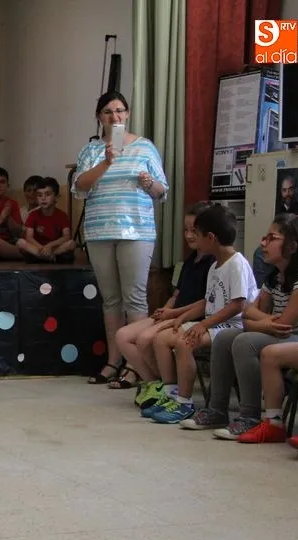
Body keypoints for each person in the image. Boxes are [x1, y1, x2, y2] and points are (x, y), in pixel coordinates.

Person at [180, 214, 298, 437]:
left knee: (246, 342)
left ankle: (249, 417)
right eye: (264, 237)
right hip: (284, 338)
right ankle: (217, 411)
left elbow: (284, 325)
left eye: (271, 238)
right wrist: (261, 321)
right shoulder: (275, 277)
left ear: (292, 247)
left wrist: (257, 322)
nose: (263, 243)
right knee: (225, 338)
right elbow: (248, 312)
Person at [72, 91, 169, 384]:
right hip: (99, 231)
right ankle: (113, 361)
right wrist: (106, 162)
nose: (114, 116)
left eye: (119, 111)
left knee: (134, 297)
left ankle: (136, 365)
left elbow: (162, 191)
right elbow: (79, 186)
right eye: (107, 112)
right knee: (110, 299)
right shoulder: (91, 150)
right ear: (99, 117)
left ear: (127, 114)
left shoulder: (144, 147)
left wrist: (149, 183)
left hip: (136, 231)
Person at [142, 205, 258, 423]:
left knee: (184, 342)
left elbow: (237, 305)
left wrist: (203, 324)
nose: (193, 237)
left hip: (231, 326)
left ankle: (184, 403)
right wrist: (180, 318)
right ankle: (170, 394)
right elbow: (207, 301)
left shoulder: (237, 264)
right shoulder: (215, 267)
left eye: (197, 233)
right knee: (161, 338)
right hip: (212, 324)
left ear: (211, 237)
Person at [114, 204, 214, 395]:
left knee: (145, 339)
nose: (189, 235)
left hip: (190, 318)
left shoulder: (213, 263)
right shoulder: (189, 261)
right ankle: (154, 383)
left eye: (194, 231)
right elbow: (177, 295)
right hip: (173, 314)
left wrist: (172, 314)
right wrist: (163, 311)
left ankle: (168, 385)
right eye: (186, 230)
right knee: (122, 336)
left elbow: (206, 303)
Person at [16, 177, 75, 263]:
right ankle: (49, 257)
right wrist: (42, 248)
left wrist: (50, 245)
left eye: (47, 194)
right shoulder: (33, 215)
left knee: (71, 244)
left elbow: (66, 237)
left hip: (53, 248)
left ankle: (43, 257)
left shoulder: (62, 215)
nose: (43, 198)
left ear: (56, 197)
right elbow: (29, 237)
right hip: (38, 247)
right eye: (39, 195)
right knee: (20, 242)